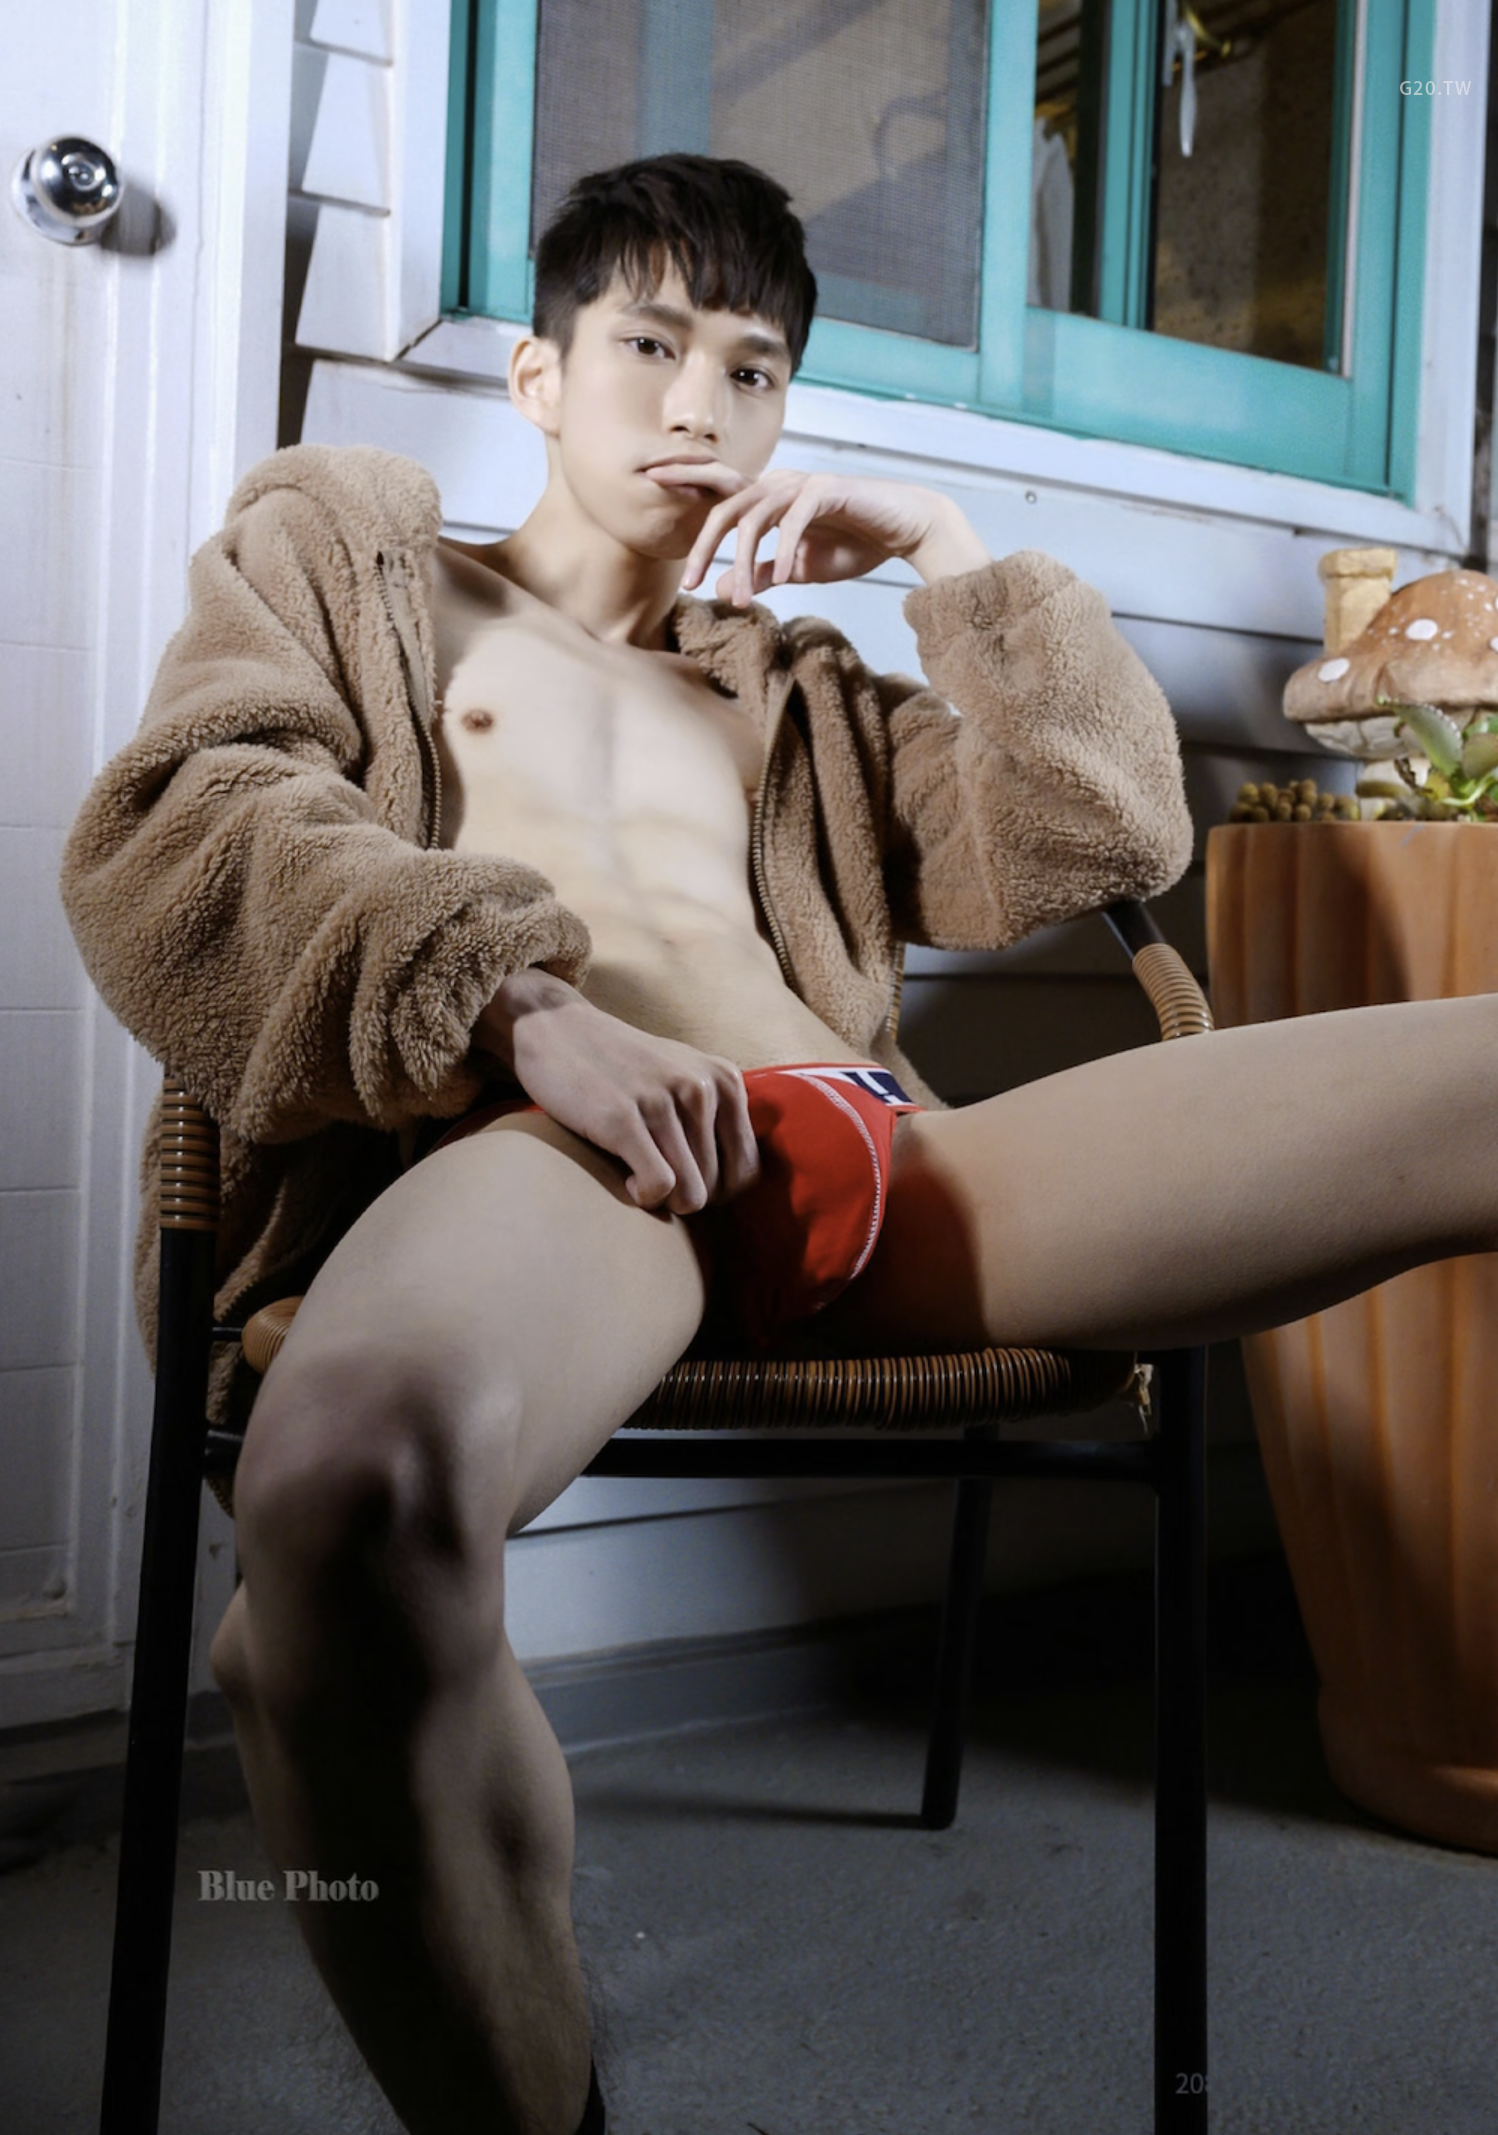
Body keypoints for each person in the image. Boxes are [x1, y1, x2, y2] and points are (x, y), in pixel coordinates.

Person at [59, 154, 1498, 2135]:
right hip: (557, 1167)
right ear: (537, 375)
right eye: (647, 345)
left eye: (750, 369)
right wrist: (516, 1007)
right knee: (344, 1508)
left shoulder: (797, 692)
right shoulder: (364, 568)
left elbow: (1098, 830)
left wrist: (948, 554)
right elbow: (186, 817)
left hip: (884, 1162)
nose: (699, 405)